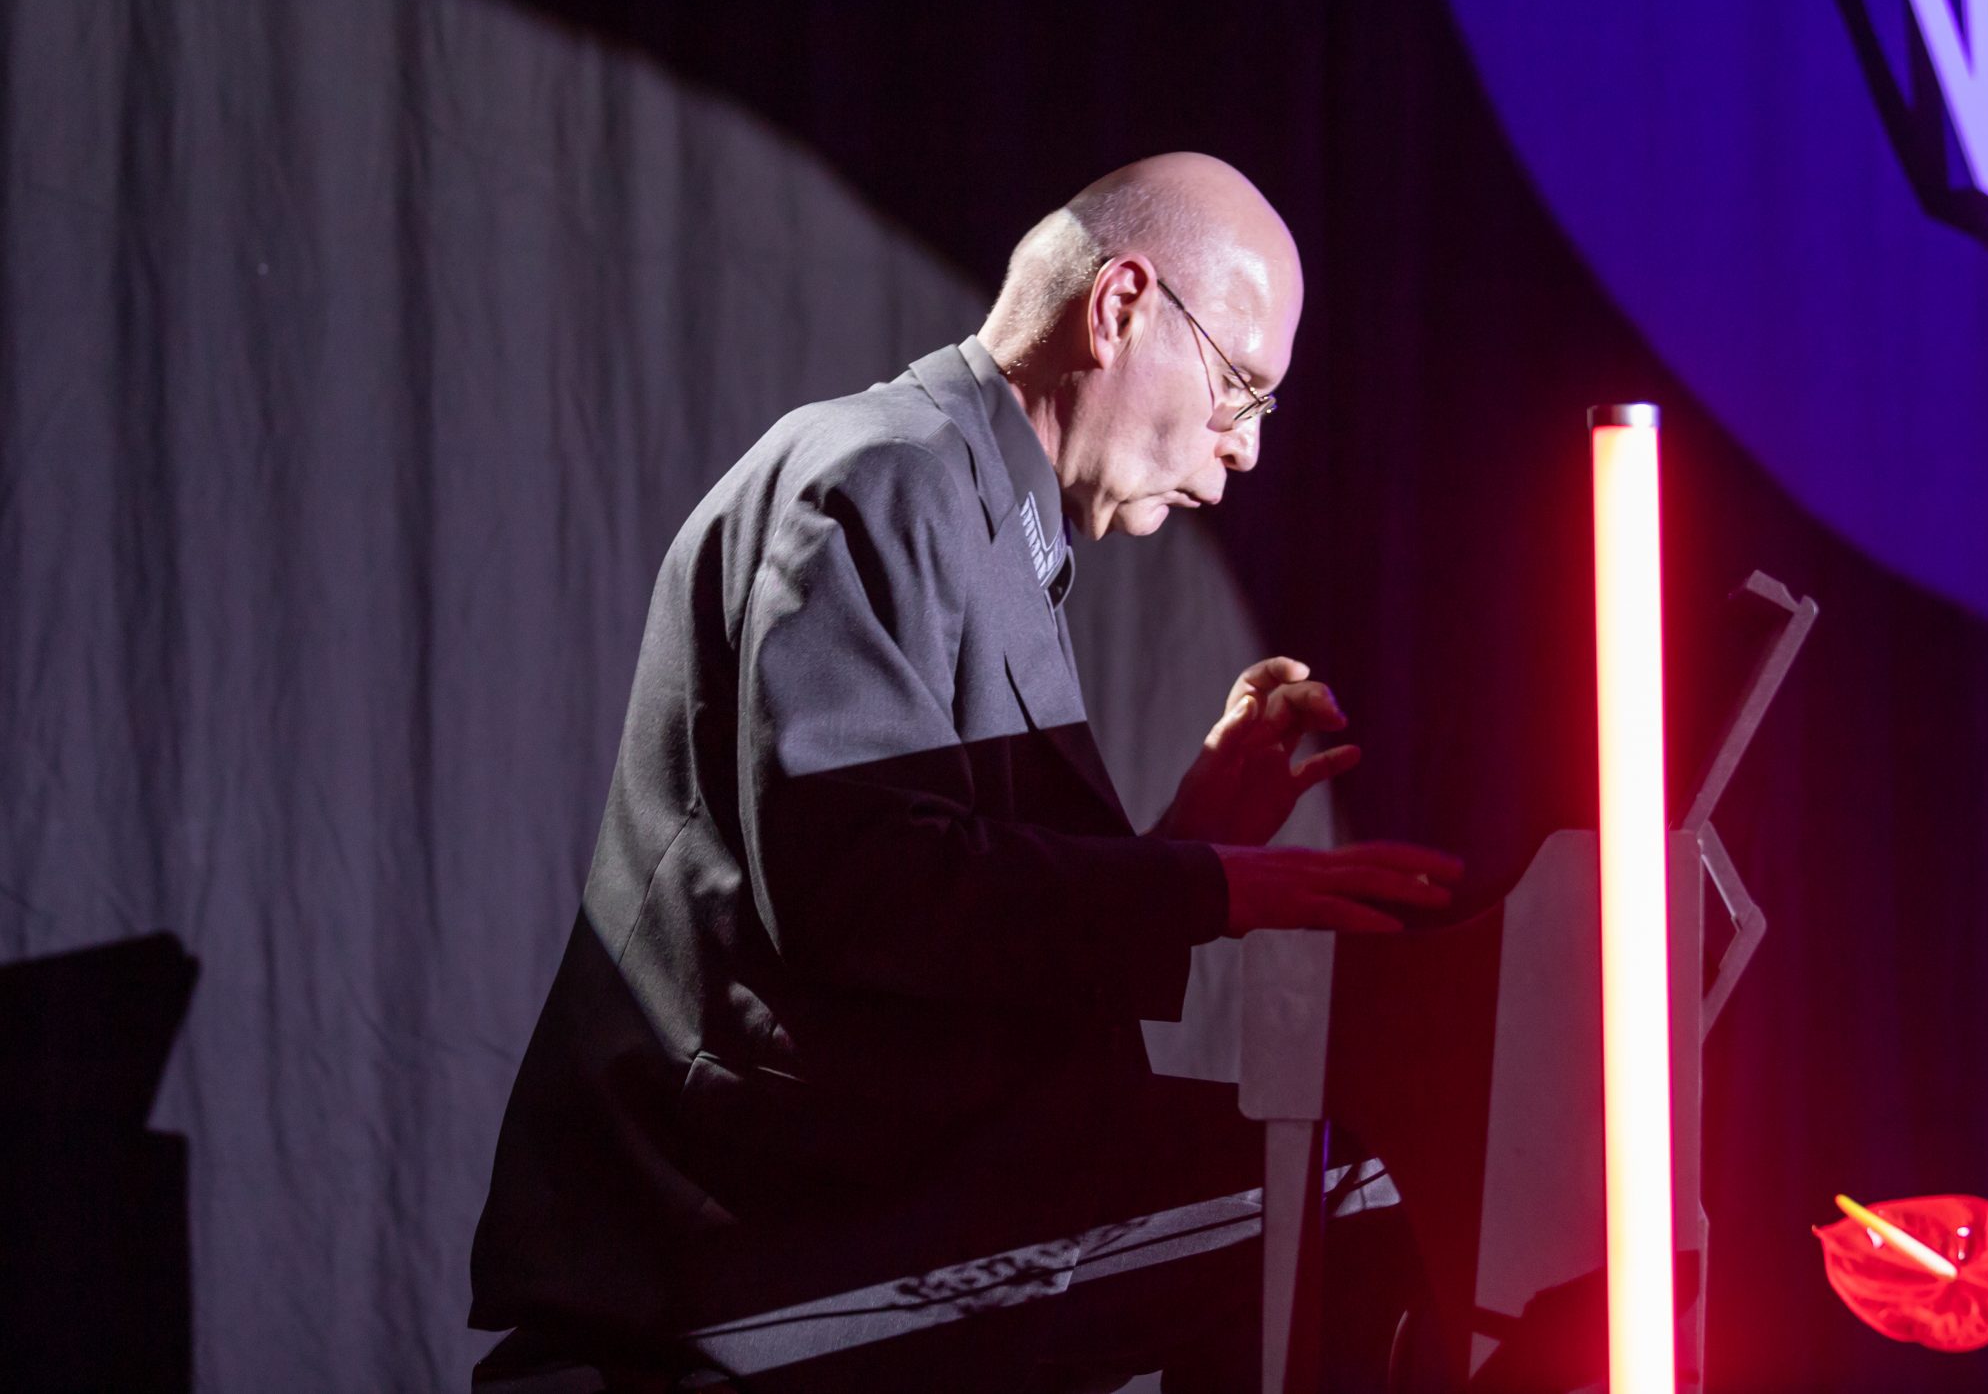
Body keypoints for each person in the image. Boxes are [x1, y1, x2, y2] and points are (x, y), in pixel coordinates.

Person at [469, 153, 1461, 1390]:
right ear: (1119, 307)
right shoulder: (882, 475)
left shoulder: (972, 509)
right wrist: (1214, 888)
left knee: (1318, 1185)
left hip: (849, 1195)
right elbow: (863, 891)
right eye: (1239, 387)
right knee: (1333, 1192)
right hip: (756, 1241)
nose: (1246, 447)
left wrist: (1191, 842)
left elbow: (958, 932)